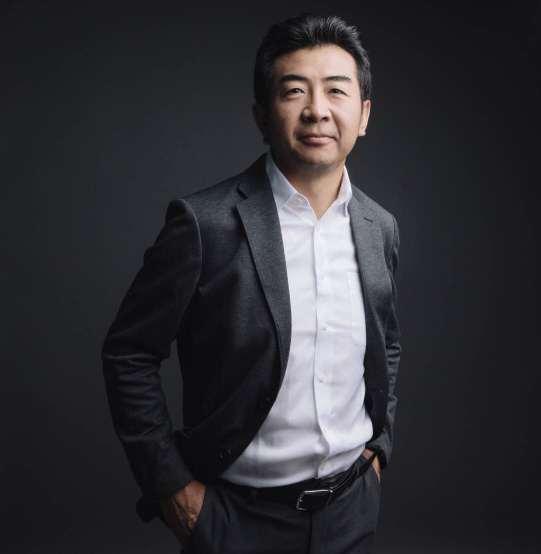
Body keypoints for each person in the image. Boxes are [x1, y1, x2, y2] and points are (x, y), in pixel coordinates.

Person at [101, 12, 401, 554]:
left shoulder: (378, 227)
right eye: (294, 90)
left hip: (350, 510)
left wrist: (378, 448)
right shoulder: (204, 224)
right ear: (262, 114)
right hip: (234, 518)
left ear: (363, 115)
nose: (317, 110)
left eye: (336, 90)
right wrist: (171, 488)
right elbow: (129, 354)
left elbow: (386, 345)